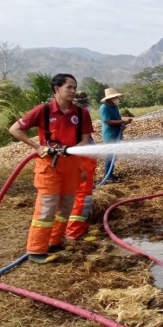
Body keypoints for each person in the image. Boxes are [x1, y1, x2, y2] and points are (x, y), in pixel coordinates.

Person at [9, 74, 93, 263]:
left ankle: (54, 242)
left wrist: (71, 151)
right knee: (47, 208)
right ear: (57, 89)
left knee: (65, 207)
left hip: (71, 166)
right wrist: (37, 147)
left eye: (74, 87)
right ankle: (36, 250)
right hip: (49, 167)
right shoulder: (44, 110)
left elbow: (85, 141)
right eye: (69, 87)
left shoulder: (81, 114)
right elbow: (14, 129)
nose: (73, 91)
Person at [65, 92, 98, 241]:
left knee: (82, 197)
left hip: (85, 161)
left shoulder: (78, 119)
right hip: (82, 162)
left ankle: (80, 227)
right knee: (82, 198)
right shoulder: (75, 120)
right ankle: (74, 231)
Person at [99, 87, 132, 182]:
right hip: (110, 135)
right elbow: (108, 122)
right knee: (110, 155)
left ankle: (110, 174)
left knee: (114, 155)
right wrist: (123, 121)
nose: (117, 98)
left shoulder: (114, 106)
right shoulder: (104, 108)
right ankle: (107, 176)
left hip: (117, 133)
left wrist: (122, 125)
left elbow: (117, 119)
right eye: (115, 97)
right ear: (110, 98)